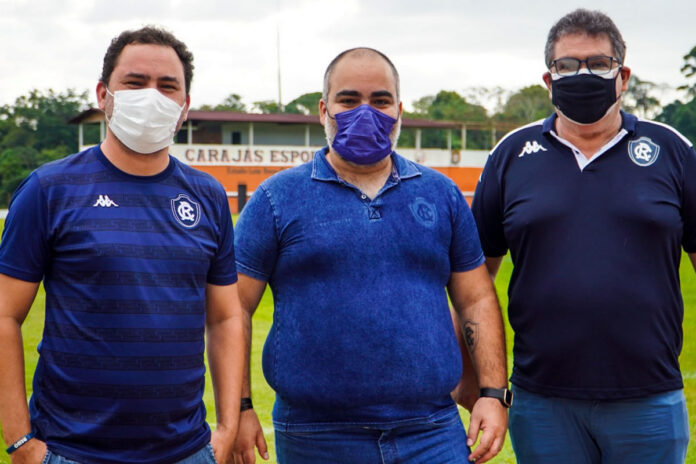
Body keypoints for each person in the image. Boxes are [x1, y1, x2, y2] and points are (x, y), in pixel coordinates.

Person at [232, 47, 509, 464]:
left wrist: (491, 393)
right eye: (348, 100)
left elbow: (476, 298)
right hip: (316, 436)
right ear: (323, 109)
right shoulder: (276, 199)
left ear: (399, 110)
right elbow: (232, 308)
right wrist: (239, 407)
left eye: (380, 100)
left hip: (431, 432)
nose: (365, 112)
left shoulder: (441, 195)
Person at [0, 26, 246, 464]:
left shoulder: (207, 196)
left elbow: (226, 317)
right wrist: (20, 443)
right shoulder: (49, 189)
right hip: (71, 452)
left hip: (187, 452)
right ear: (103, 94)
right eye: (135, 83)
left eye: (167, 87)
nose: (152, 96)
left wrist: (226, 428)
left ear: (184, 107)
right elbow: (4, 314)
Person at [472, 8, 692, 464]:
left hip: (648, 397)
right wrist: (485, 388)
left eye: (598, 63)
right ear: (549, 81)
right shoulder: (512, 155)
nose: (583, 74)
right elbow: (474, 286)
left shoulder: (673, 151)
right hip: (543, 400)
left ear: (623, 76)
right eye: (567, 66)